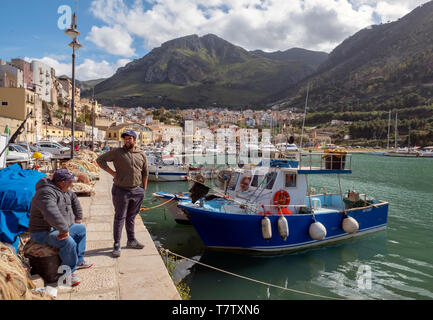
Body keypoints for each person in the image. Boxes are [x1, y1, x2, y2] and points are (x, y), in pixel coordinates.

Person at [28, 169, 93, 287]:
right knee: (68, 242)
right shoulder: (45, 193)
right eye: (70, 182)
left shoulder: (64, 190)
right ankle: (67, 274)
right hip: (43, 231)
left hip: (59, 227)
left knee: (80, 229)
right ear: (62, 182)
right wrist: (64, 230)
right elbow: (51, 213)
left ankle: (79, 260)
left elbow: (74, 202)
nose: (72, 184)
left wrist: (76, 218)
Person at [96, 130, 149, 258]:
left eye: (130, 138)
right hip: (121, 190)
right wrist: (113, 173)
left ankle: (131, 240)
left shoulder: (141, 154)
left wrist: (143, 190)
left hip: (137, 191)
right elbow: (100, 160)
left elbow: (145, 172)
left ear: (135, 140)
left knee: (131, 217)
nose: (127, 140)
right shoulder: (117, 152)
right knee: (120, 217)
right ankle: (117, 244)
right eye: (125, 138)